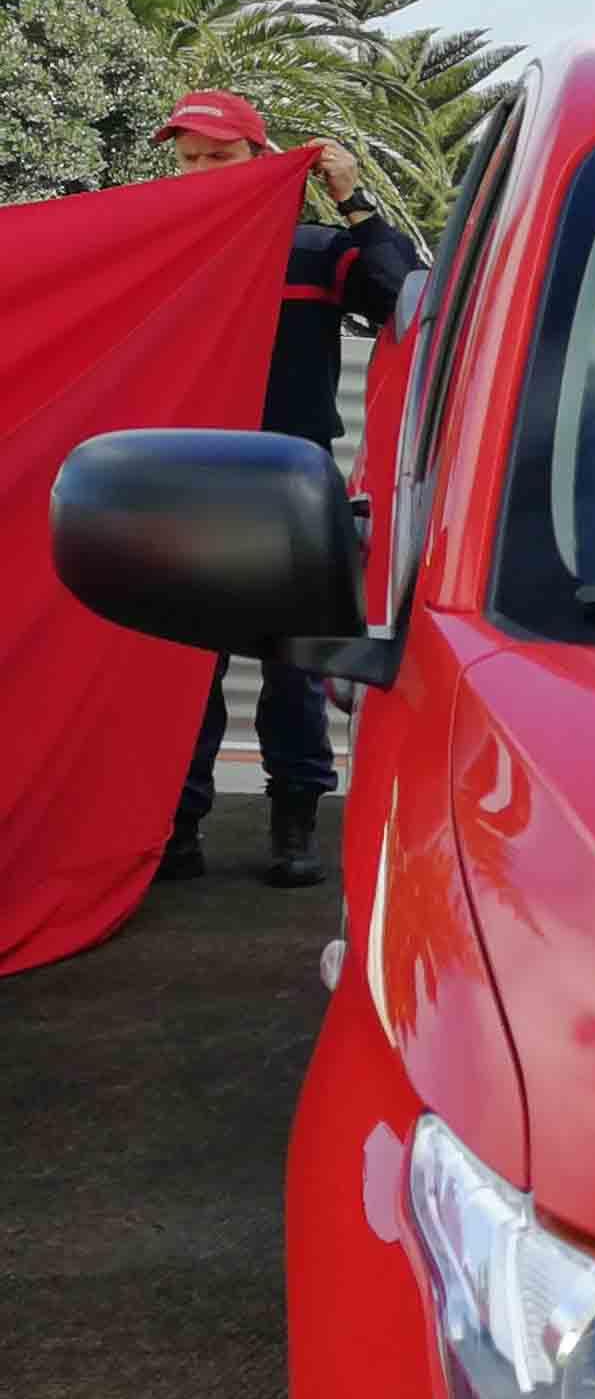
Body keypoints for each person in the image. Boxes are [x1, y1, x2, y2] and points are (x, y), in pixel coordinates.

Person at [151, 88, 420, 889]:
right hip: (187, 478)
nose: (202, 173)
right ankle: (179, 828)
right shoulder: (167, 249)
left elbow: (400, 292)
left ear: (262, 163)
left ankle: (295, 826)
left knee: (294, 664)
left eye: (220, 158)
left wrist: (353, 196)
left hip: (290, 482)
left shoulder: (317, 251)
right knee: (183, 667)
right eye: (190, 159)